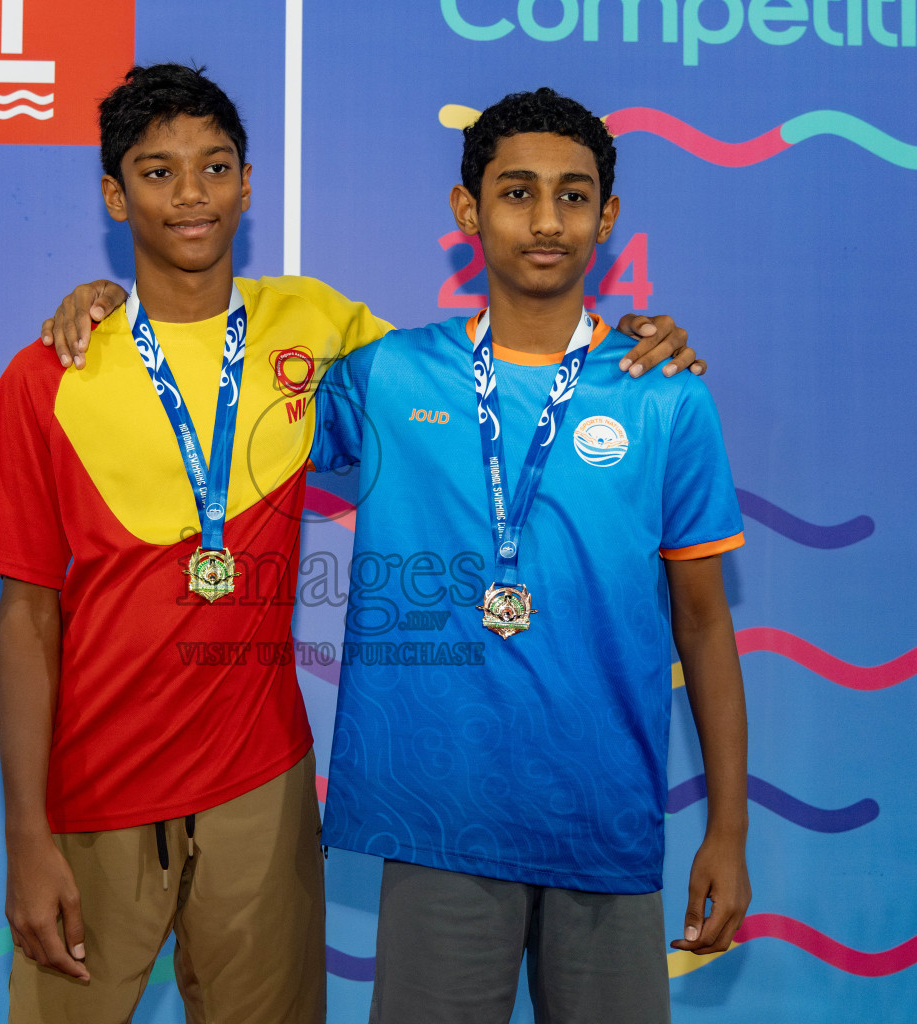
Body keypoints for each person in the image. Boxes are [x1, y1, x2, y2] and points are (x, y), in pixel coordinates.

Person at [0, 64, 703, 1024]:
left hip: (261, 791)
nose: (190, 194)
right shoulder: (51, 370)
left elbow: (491, 384)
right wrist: (27, 831)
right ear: (115, 194)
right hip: (96, 789)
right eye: (156, 173)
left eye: (215, 167)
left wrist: (632, 346)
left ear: (248, 182)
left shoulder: (315, 325)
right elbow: (23, 616)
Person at [307, 88, 750, 1024]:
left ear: (609, 217)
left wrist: (730, 830)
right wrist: (111, 308)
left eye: (573, 195)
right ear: (468, 211)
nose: (547, 221)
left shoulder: (664, 393)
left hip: (605, 821)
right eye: (517, 193)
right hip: (441, 818)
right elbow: (224, 396)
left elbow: (706, 624)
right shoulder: (389, 375)